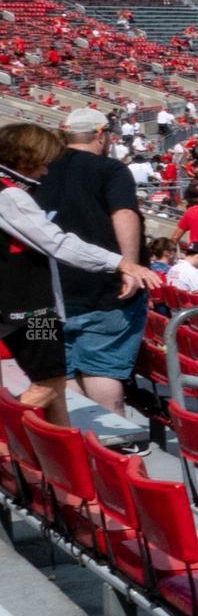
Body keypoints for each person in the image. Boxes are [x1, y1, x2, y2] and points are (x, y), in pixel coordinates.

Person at [0, 123, 160, 426]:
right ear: (25, 159)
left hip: (28, 307)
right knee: (47, 385)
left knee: (54, 379)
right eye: (43, 163)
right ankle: (11, 434)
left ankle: (61, 446)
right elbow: (58, 243)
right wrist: (121, 263)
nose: (46, 172)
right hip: (32, 311)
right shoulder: (10, 196)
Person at [33, 108, 145, 417]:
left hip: (47, 289)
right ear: (100, 135)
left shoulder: (37, 169)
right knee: (102, 369)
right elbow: (124, 213)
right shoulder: (110, 169)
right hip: (103, 287)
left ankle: (80, 441)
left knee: (63, 371)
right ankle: (117, 445)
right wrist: (130, 266)